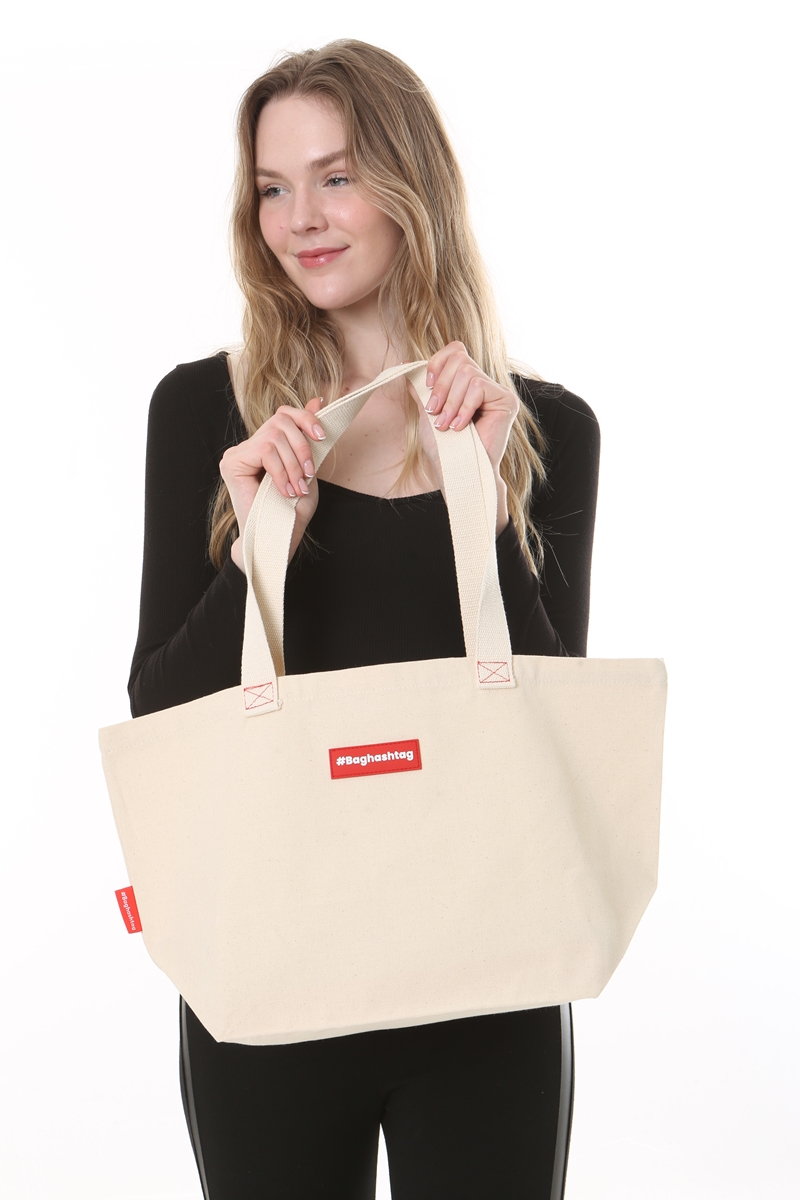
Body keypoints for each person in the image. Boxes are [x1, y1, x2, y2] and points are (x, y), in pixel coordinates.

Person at [128, 38, 600, 1200]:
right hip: (266, 982)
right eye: (271, 187)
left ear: (409, 186)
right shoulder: (207, 410)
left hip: (488, 985)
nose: (299, 219)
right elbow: (158, 714)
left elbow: (555, 735)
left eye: (335, 177)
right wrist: (262, 539)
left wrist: (484, 503)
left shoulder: (541, 428)